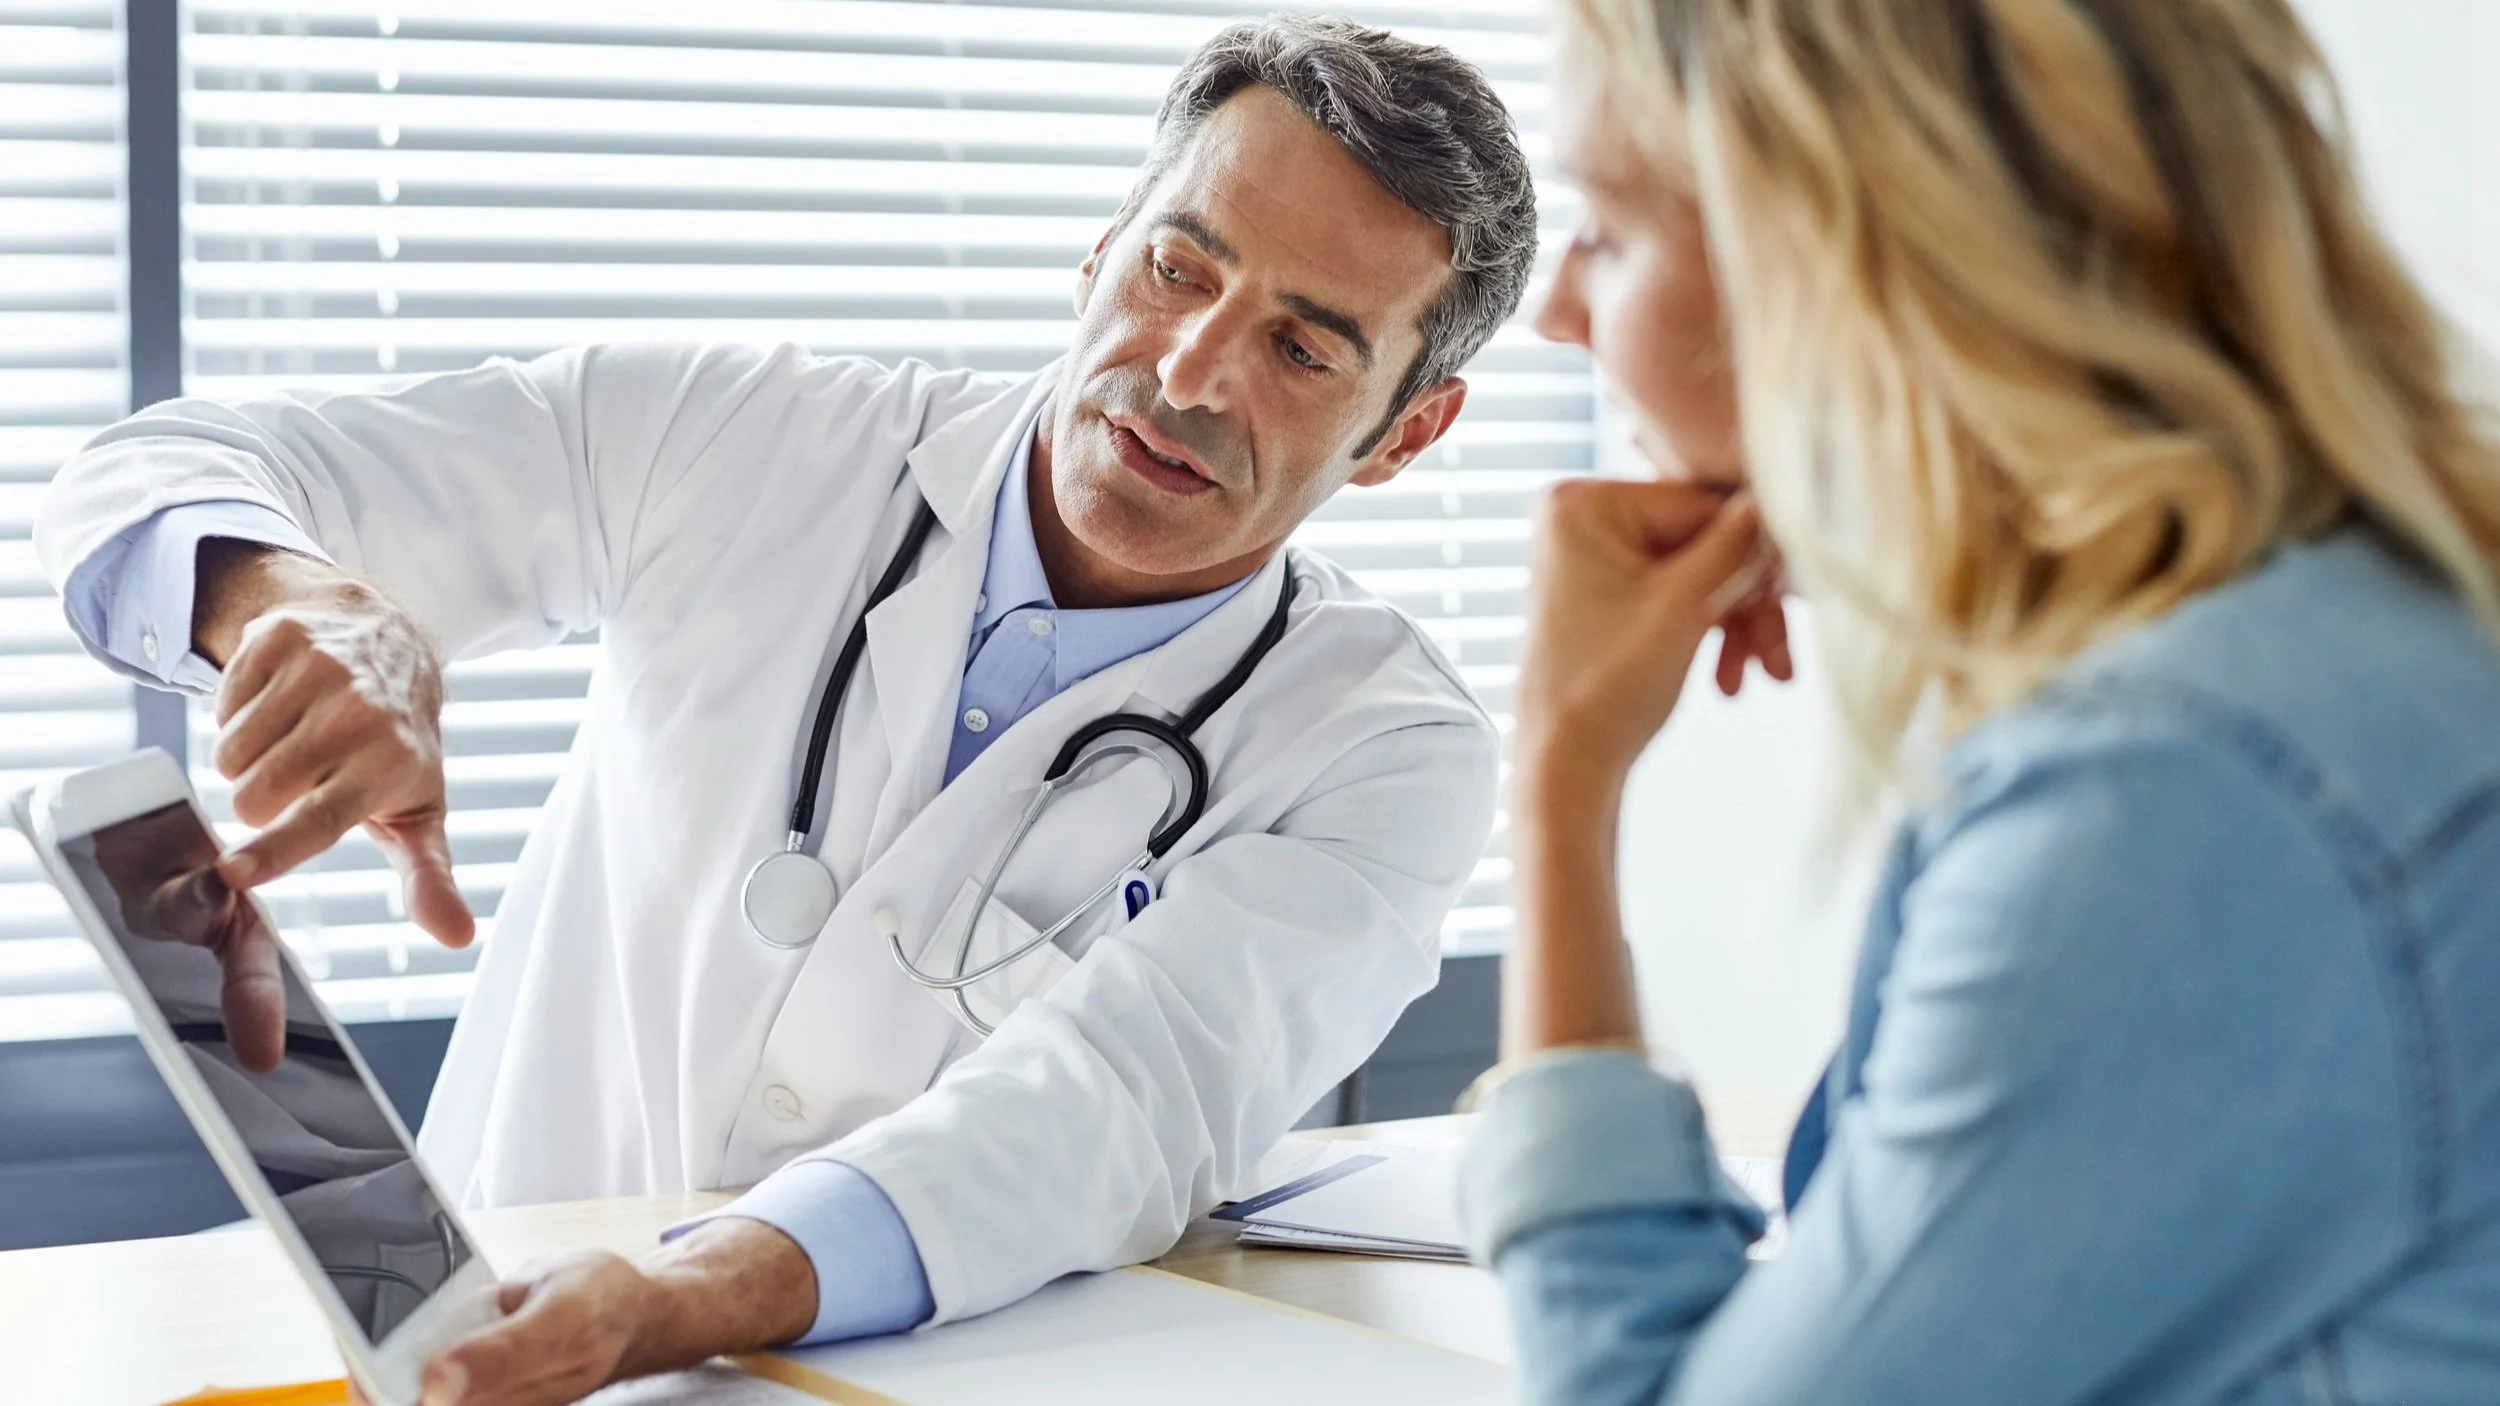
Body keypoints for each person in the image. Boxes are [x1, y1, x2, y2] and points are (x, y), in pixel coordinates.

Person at [38, 17, 1538, 1403]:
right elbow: (151, 472)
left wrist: (680, 1298)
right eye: (1179, 268)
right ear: (1098, 254)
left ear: (1409, 427)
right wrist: (300, 601)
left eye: (1302, 346)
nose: (1193, 371)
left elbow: (1122, 1102)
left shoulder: (1386, 746)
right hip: (467, 1355)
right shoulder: (735, 439)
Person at [1460, 0, 2500, 1402]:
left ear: (1862, 261)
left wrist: (1562, 772)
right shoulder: (2345, 639)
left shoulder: (2183, 795)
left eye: (1610, 227)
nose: (1556, 310)